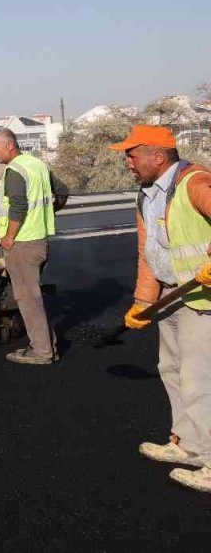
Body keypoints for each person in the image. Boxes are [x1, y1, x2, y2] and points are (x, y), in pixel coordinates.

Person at [112, 124, 211, 494]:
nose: (127, 162)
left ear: (157, 156)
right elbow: (148, 252)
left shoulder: (195, 182)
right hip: (172, 295)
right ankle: (189, 445)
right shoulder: (147, 194)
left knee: (200, 378)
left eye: (132, 154)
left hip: (202, 299)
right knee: (171, 370)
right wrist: (142, 302)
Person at [0, 127, 68, 365]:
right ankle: (46, 347)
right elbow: (62, 192)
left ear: (10, 145)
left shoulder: (14, 170)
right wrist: (46, 214)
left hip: (22, 244)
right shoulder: (37, 165)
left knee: (27, 298)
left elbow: (18, 206)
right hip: (38, 240)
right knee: (33, 296)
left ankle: (42, 352)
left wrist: (9, 237)